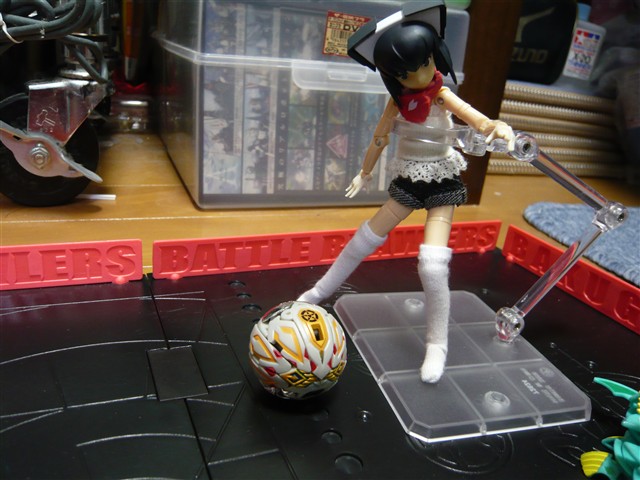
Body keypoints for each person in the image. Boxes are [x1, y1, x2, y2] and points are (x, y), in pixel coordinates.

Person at [298, 2, 515, 383]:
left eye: (424, 63)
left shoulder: (441, 95)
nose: (419, 75)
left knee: (432, 263)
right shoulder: (397, 103)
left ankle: (437, 344)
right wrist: (364, 172)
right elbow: (379, 138)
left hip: (442, 180)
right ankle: (318, 292)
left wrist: (498, 127)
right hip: (409, 179)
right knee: (365, 237)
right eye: (406, 72)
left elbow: (477, 119)